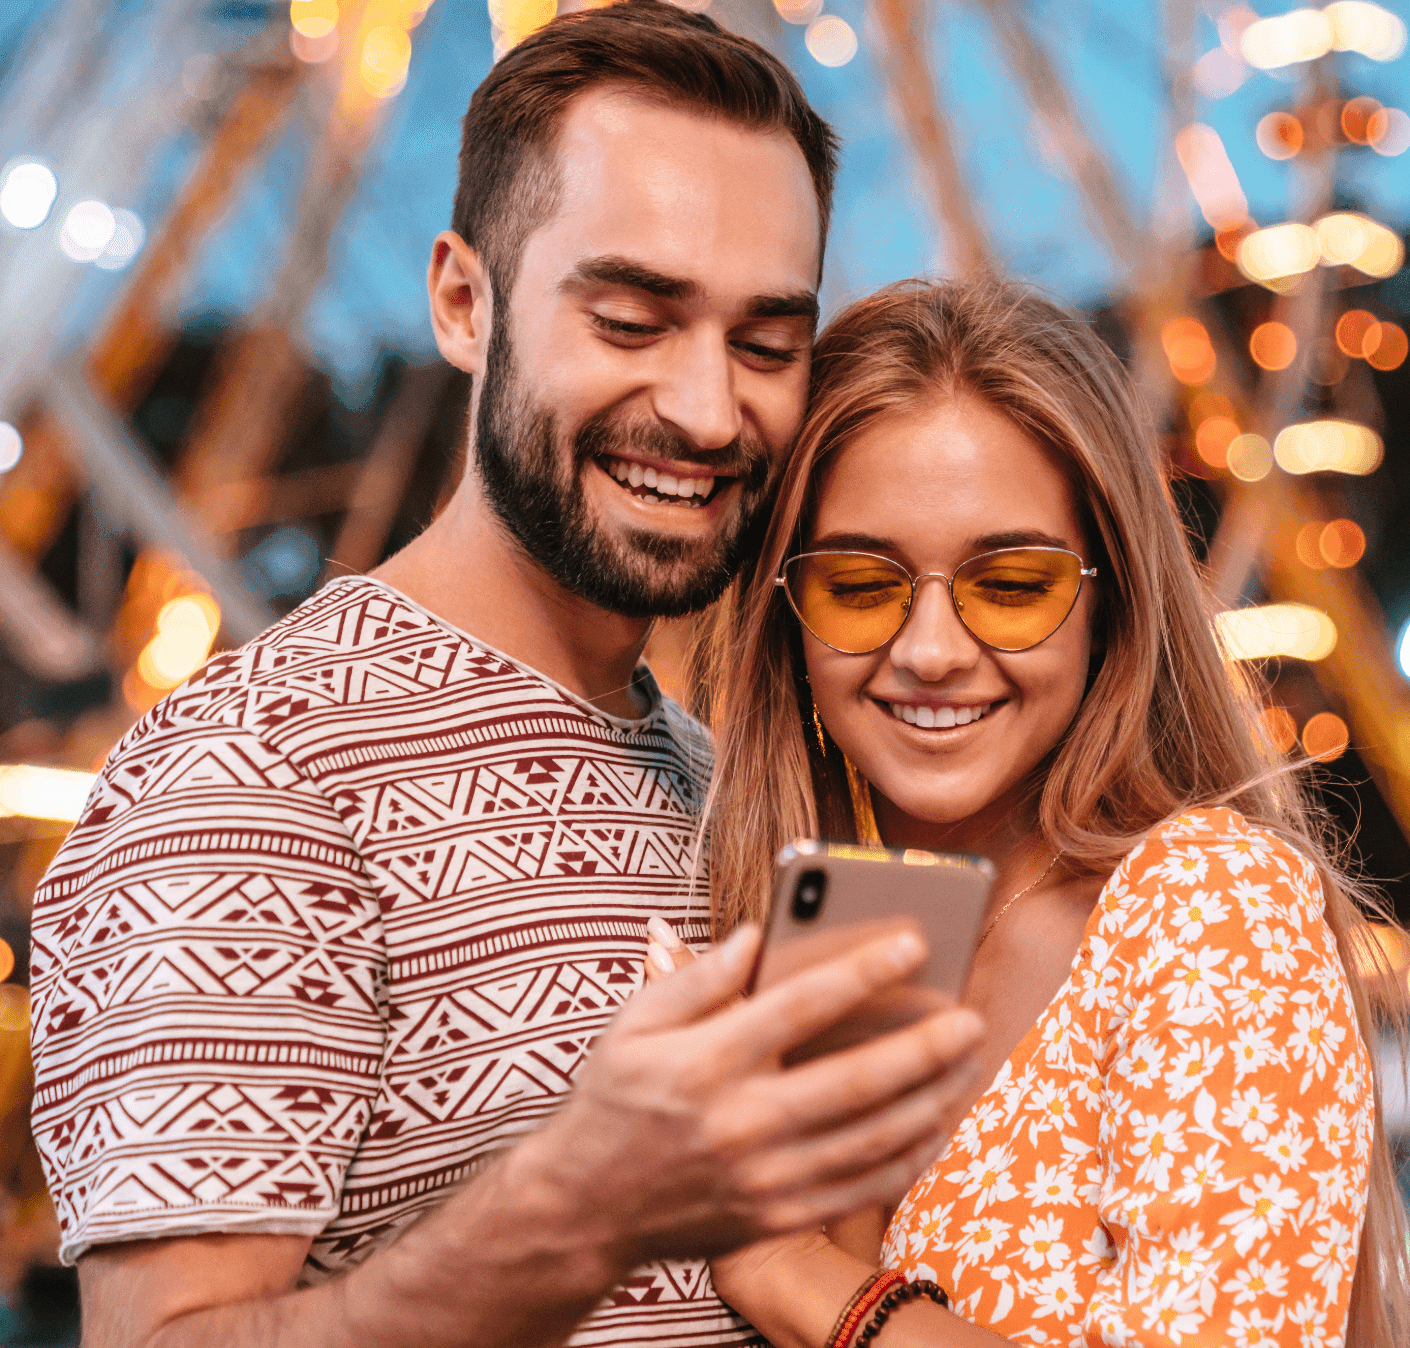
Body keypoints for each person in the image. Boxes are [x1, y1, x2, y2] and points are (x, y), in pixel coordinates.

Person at [26, 7, 984, 1346]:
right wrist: (583, 1204)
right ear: (464, 303)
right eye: (634, 319)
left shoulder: (719, 783)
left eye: (767, 343)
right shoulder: (252, 772)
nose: (709, 411)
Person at [662, 278, 1410, 1347]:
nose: (929, 651)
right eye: (859, 584)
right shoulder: (826, 941)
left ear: (1108, 605)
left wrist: (799, 1275)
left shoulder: (1206, 907)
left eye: (1011, 584)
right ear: (785, 615)